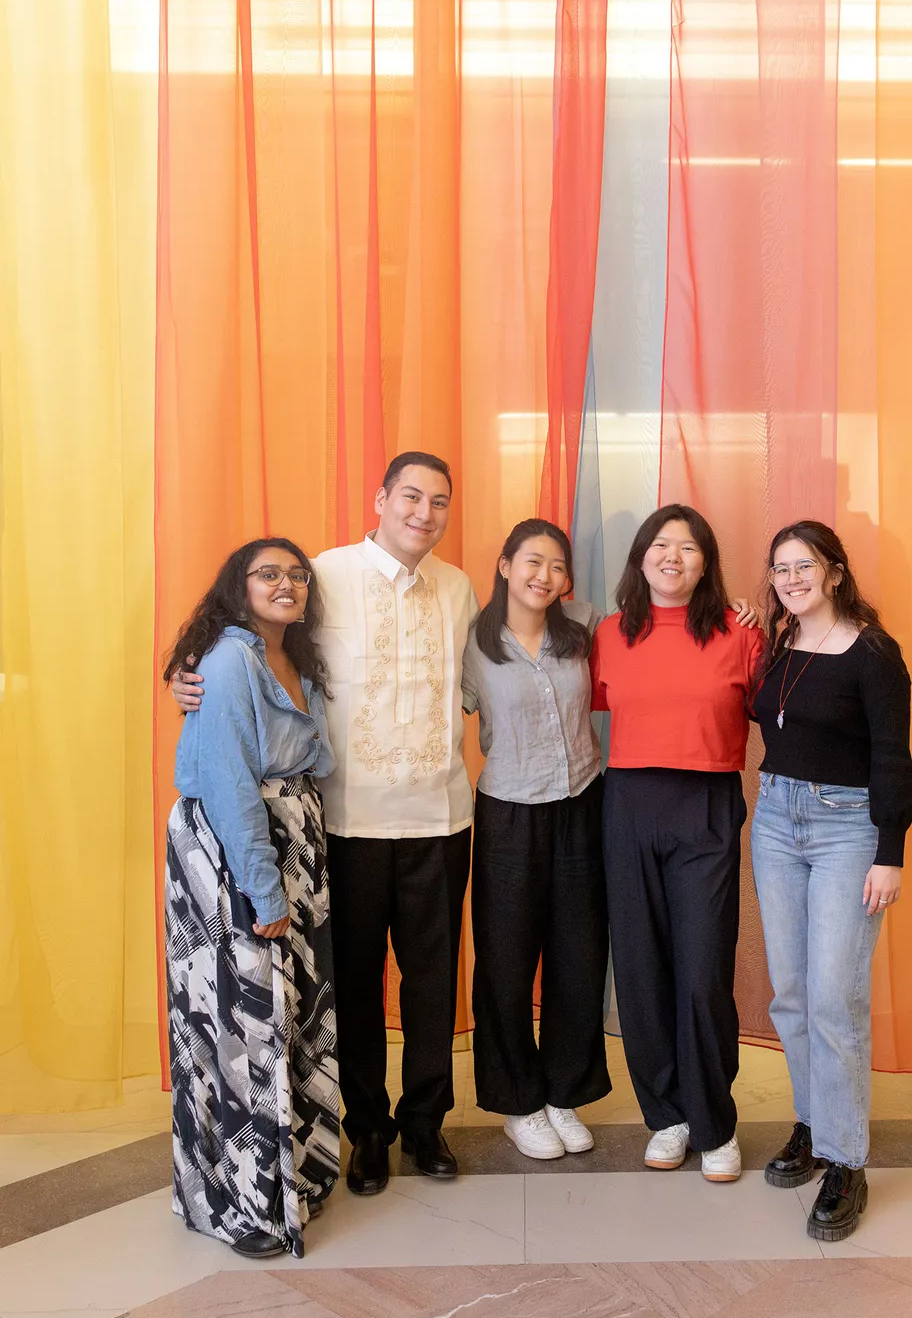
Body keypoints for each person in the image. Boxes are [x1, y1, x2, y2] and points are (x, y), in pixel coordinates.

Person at [171, 452, 478, 1197]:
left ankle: (426, 1121)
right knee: (357, 985)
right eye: (410, 496)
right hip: (345, 820)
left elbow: (484, 676)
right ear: (380, 499)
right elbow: (252, 639)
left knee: (435, 982)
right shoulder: (325, 575)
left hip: (440, 814)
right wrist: (189, 678)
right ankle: (367, 1130)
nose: (424, 513)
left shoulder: (460, 586)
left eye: (439, 501)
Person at [163, 538, 340, 1260]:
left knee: (295, 1016)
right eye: (268, 573)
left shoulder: (299, 657)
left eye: (297, 574)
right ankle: (248, 1204)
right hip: (237, 855)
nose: (286, 584)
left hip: (293, 844)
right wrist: (263, 890)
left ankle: (295, 1174)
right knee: (244, 1029)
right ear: (238, 586)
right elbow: (235, 785)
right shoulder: (232, 658)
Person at [750, 520, 912, 1243]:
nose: (791, 578)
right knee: (790, 991)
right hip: (777, 818)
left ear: (836, 572)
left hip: (849, 826)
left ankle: (848, 1160)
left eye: (804, 566)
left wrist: (891, 851)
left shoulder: (875, 654)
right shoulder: (779, 645)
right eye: (780, 569)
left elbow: (892, 757)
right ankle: (815, 1126)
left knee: (834, 997)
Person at [591, 505, 764, 1182]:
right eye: (660, 545)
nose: (673, 557)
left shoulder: (737, 635)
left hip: (707, 805)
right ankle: (665, 1117)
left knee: (701, 970)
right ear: (640, 558)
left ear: (706, 563)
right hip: (629, 802)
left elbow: (774, 710)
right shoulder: (610, 634)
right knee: (639, 968)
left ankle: (715, 1122)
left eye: (688, 548)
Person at [462, 519, 609, 1160]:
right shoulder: (470, 641)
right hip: (508, 813)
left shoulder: (585, 627)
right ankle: (519, 1101)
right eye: (531, 561)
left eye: (556, 566)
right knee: (507, 960)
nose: (543, 576)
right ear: (504, 564)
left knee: (579, 957)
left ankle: (562, 1094)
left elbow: (663, 633)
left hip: (582, 804)